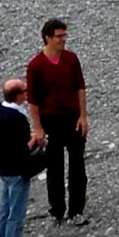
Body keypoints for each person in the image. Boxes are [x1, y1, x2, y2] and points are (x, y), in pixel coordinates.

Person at [26, 18, 90, 226]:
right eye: (59, 36)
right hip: (51, 120)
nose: (64, 40)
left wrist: (83, 116)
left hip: (72, 117)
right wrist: (37, 128)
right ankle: (57, 209)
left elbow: (80, 87)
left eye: (64, 35)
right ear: (48, 38)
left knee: (77, 164)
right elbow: (33, 101)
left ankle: (76, 209)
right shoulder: (36, 65)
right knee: (54, 167)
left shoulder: (71, 59)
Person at [0, 77, 42, 237]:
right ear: (19, 96)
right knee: (15, 215)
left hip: (4, 168)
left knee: (4, 213)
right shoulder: (17, 118)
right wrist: (35, 140)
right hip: (17, 170)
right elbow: (22, 150)